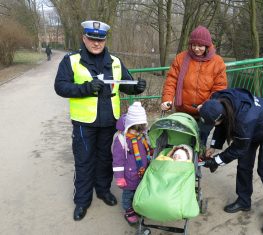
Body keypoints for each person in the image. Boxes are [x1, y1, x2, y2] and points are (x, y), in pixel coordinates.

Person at [54, 20, 147, 221]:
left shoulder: (114, 61)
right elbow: (60, 87)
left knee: (106, 159)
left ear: (105, 40)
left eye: (100, 39)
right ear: (84, 38)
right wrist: (86, 88)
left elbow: (126, 84)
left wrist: (136, 87)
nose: (96, 43)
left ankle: (103, 191)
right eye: (92, 39)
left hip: (109, 122)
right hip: (83, 123)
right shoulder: (71, 60)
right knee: (84, 161)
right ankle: (82, 201)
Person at [198, 88, 263, 234]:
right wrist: (214, 146)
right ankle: (244, 201)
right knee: (244, 165)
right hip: (252, 128)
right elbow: (221, 124)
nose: (215, 125)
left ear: (220, 117)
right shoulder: (217, 100)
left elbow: (238, 149)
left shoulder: (243, 119)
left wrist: (216, 162)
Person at [160, 25, 227, 145]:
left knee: (198, 144)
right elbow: (171, 81)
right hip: (182, 111)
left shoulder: (217, 62)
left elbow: (219, 89)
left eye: (200, 46)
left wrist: (206, 105)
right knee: (178, 143)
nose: (196, 49)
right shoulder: (180, 58)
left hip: (204, 114)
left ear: (207, 46)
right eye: (193, 45)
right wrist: (167, 100)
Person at [112, 102, 152, 225]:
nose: (137, 133)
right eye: (135, 130)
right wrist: (119, 178)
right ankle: (128, 210)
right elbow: (117, 161)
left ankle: (137, 207)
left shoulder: (141, 135)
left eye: (141, 130)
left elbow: (147, 149)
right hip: (128, 175)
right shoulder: (121, 140)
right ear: (129, 125)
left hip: (141, 171)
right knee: (128, 194)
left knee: (139, 191)